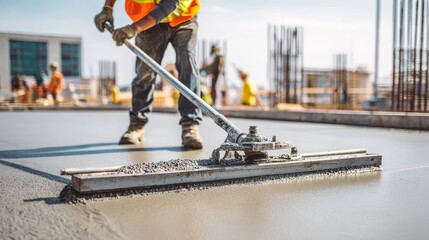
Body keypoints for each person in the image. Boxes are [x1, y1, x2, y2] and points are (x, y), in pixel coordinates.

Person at [94, 0, 203, 149]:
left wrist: (134, 28)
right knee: (144, 72)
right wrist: (107, 8)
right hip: (147, 17)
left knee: (187, 65)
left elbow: (168, 5)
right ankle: (137, 125)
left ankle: (190, 125)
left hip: (183, 17)